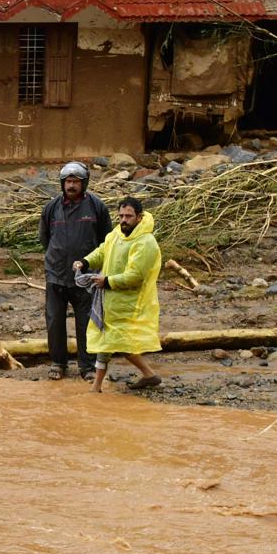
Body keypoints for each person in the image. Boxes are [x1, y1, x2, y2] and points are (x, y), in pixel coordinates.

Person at [75, 195, 164, 394]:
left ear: (139, 217)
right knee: (108, 341)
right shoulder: (117, 233)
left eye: (128, 216)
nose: (123, 220)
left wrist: (107, 281)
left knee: (117, 342)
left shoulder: (145, 242)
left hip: (129, 303)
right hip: (110, 301)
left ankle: (97, 387)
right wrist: (85, 262)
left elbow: (135, 276)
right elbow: (102, 251)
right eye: (121, 216)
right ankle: (144, 376)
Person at [39, 160, 112, 381]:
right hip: (56, 275)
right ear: (62, 183)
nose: (71, 185)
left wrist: (94, 267)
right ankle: (58, 363)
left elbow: (106, 241)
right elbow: (45, 239)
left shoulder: (97, 207)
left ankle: (87, 367)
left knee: (86, 322)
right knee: (54, 321)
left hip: (85, 279)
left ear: (84, 183)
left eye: (76, 182)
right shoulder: (51, 208)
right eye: (68, 181)